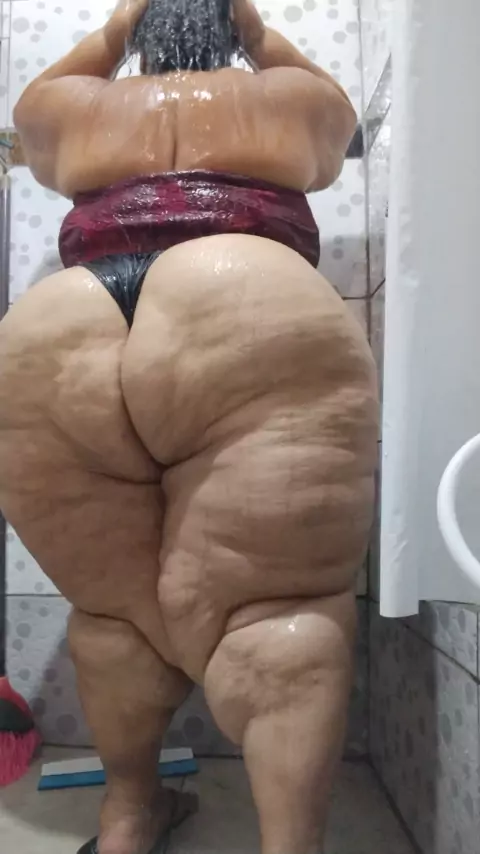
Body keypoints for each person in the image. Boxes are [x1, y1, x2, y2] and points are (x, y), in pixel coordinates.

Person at [0, 1, 378, 852]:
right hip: (245, 296)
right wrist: (256, 34)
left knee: (115, 612)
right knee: (279, 608)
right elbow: (335, 127)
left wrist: (114, 33)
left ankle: (128, 818)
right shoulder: (279, 99)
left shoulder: (82, 109)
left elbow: (32, 119)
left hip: (63, 321)